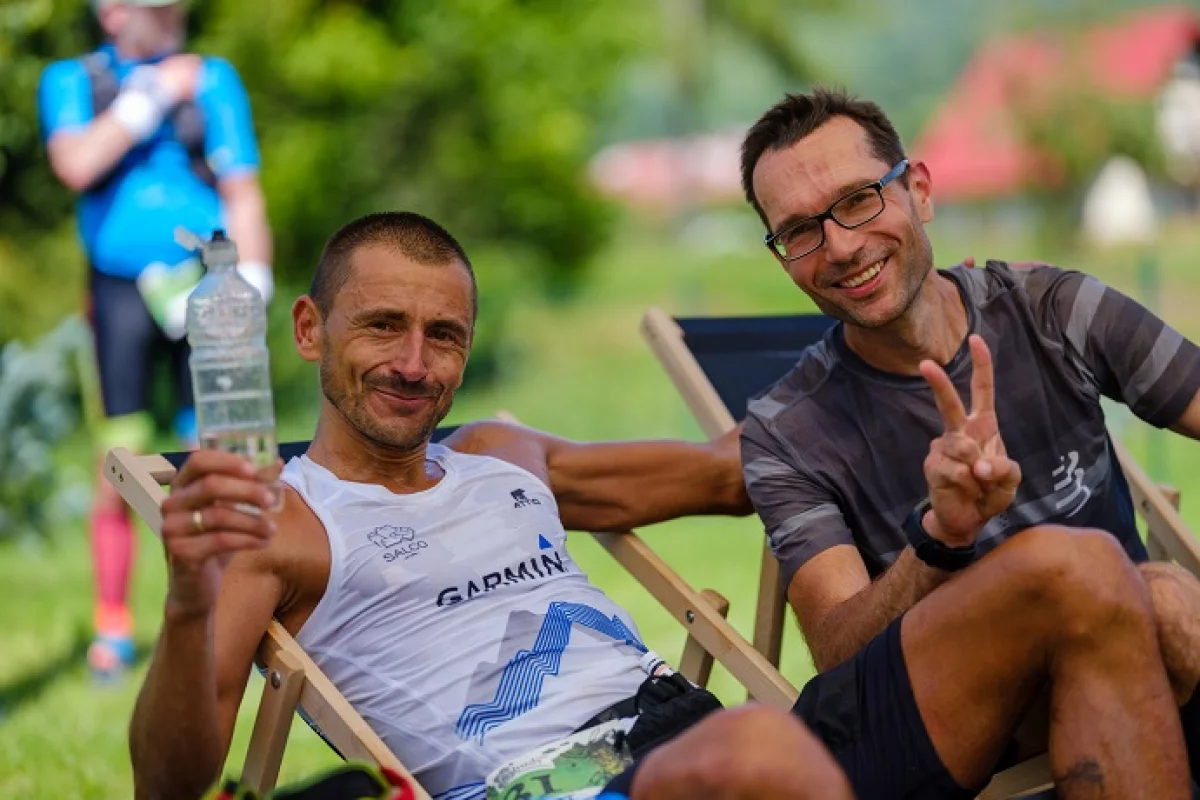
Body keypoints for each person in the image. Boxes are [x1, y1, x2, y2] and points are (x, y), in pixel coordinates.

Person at [127, 211, 856, 800]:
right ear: (310, 329)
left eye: (443, 336)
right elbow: (168, 785)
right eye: (384, 324)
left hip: (687, 735)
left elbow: (729, 474)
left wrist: (885, 335)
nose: (413, 365)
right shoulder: (279, 522)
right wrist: (187, 608)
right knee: (770, 745)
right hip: (544, 782)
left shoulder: (499, 454)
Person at [738, 87, 1200, 798]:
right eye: (799, 230)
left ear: (918, 190)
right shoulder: (786, 429)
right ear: (781, 257)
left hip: (1127, 655)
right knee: (1111, 580)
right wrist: (938, 538)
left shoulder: (1055, 312)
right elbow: (839, 655)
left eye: (859, 199)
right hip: (938, 716)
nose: (840, 246)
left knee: (1157, 602)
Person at [38, 0, 273, 678]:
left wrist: (252, 283)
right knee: (119, 456)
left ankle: (238, 613)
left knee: (222, 452)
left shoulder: (213, 78)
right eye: (156, 8)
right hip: (117, 291)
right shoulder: (72, 80)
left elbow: (244, 190)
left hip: (208, 282)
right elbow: (76, 165)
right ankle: (113, 626)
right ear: (112, 13)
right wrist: (150, 98)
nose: (174, 17)